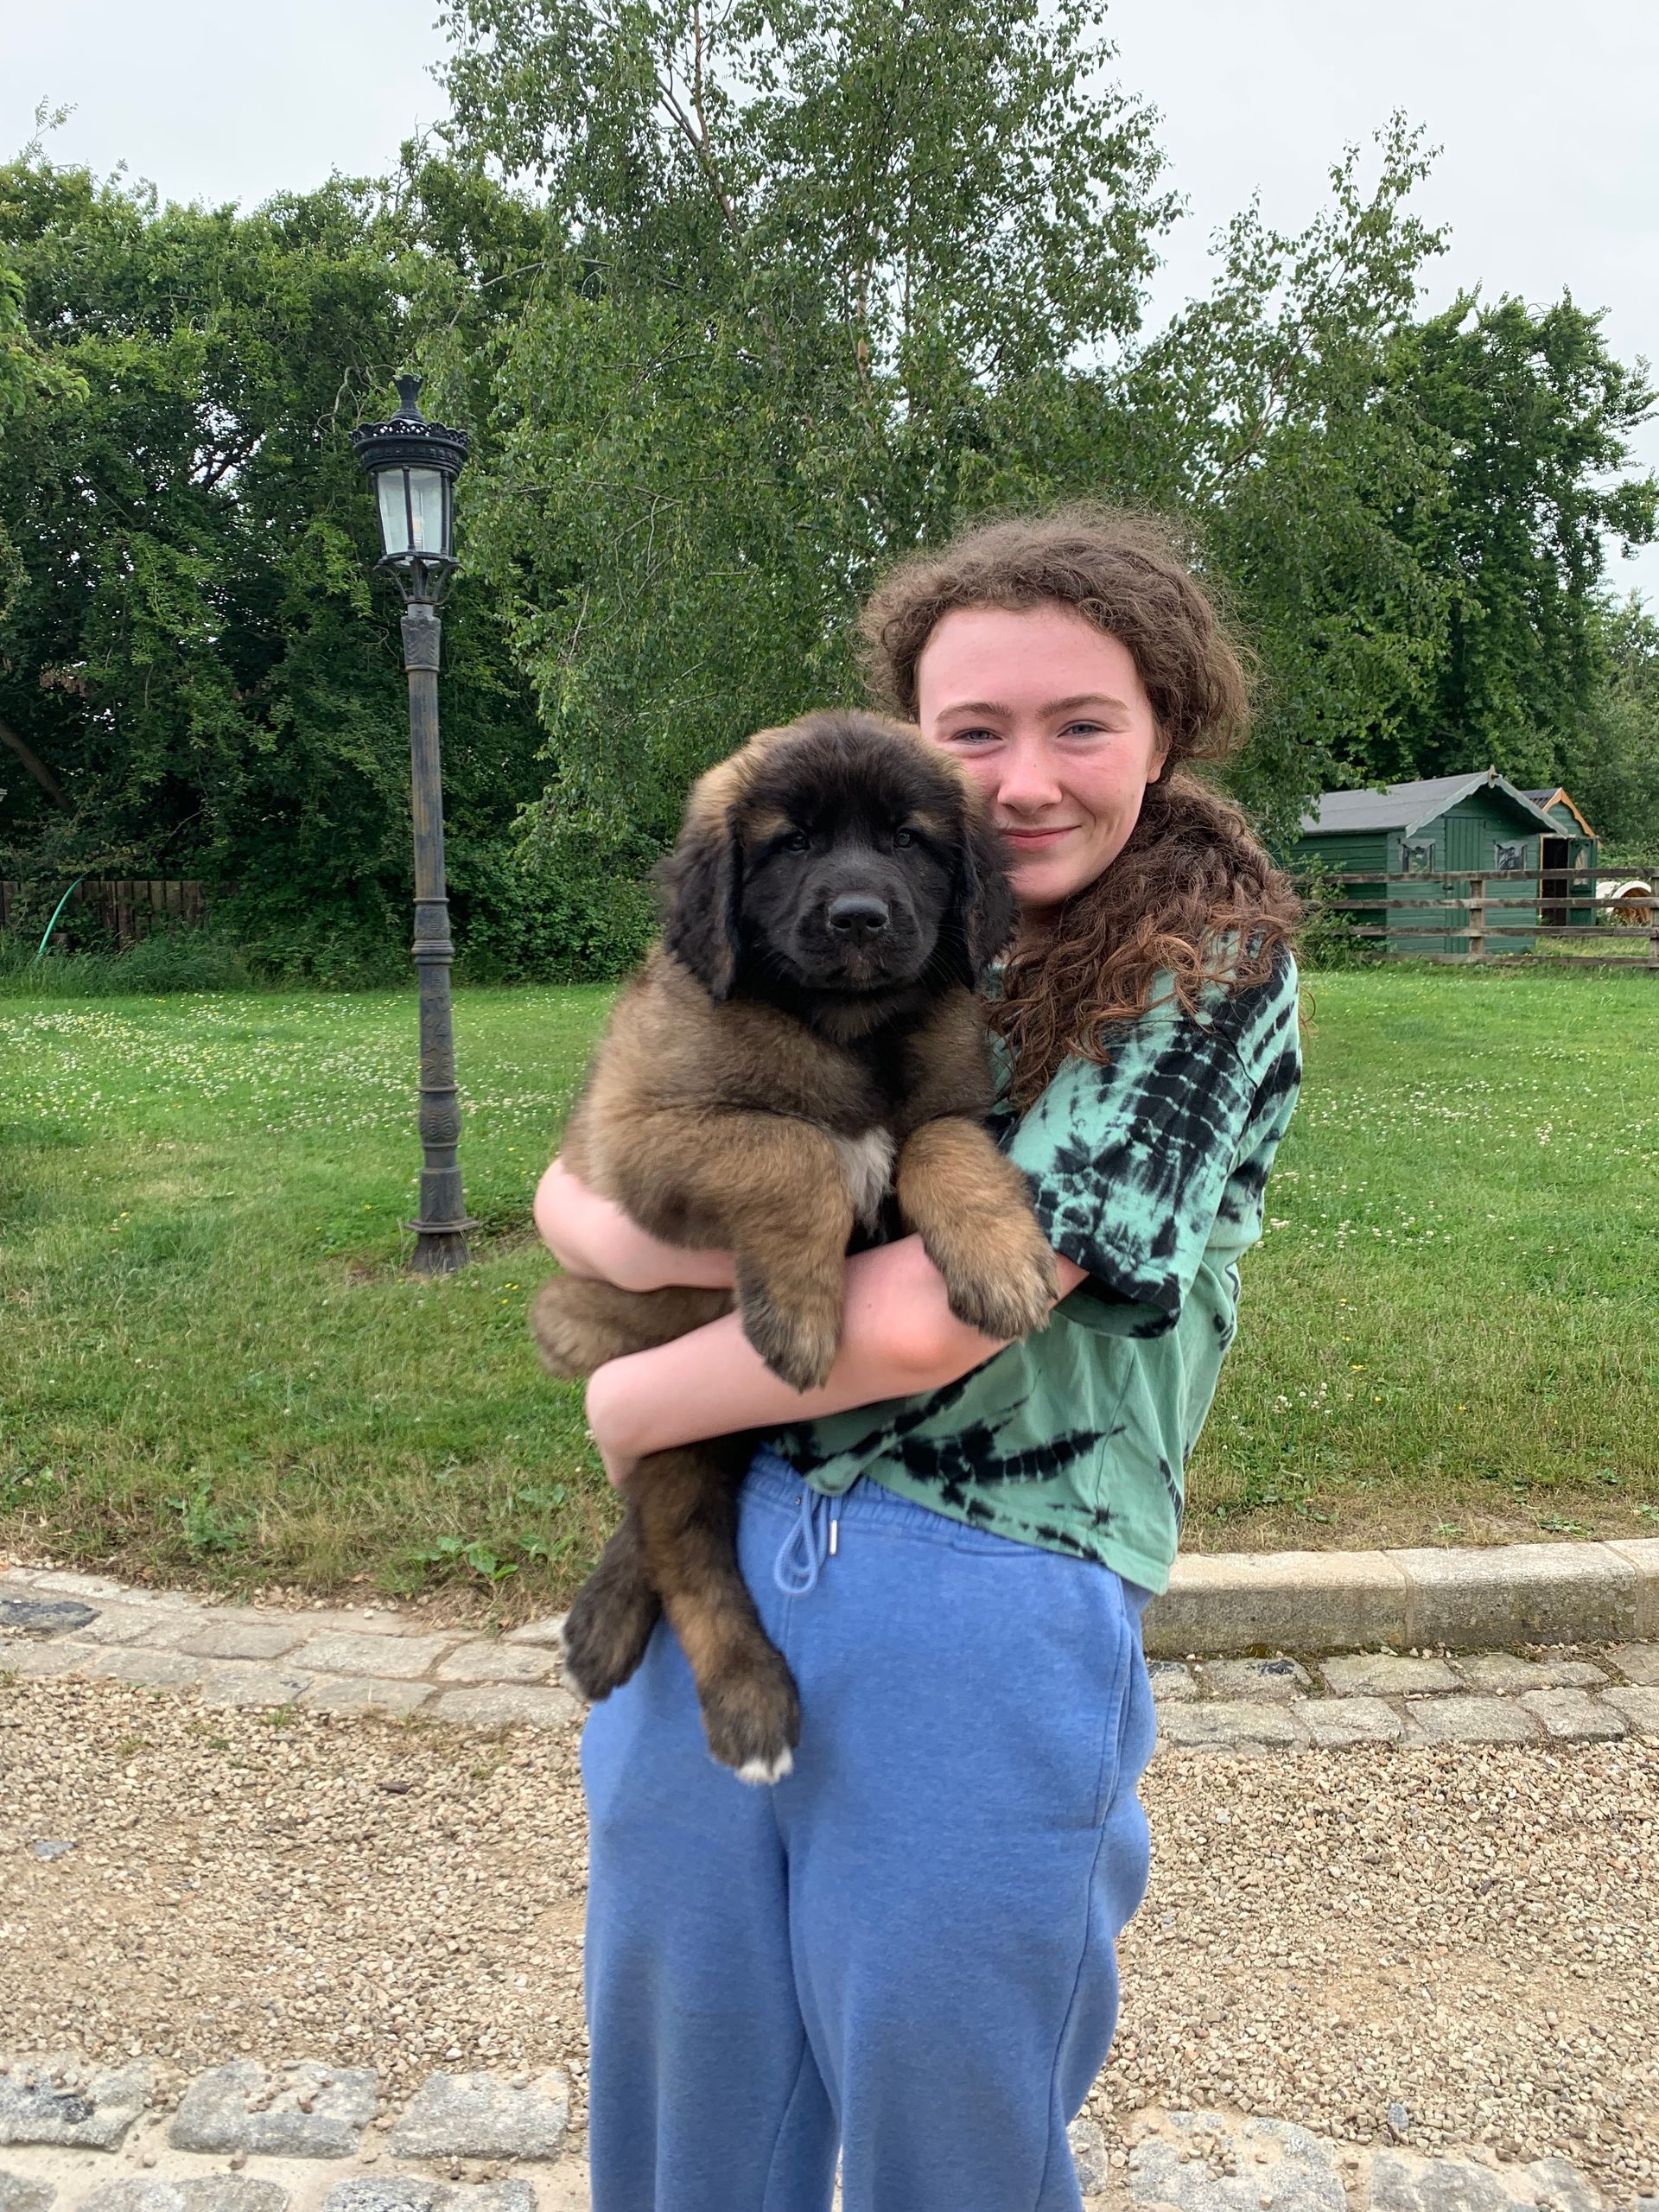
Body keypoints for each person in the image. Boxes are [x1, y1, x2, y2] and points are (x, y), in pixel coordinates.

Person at [534, 508, 1303, 2212]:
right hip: (727, 1559)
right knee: (682, 2086)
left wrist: (639, 1395)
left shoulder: (1208, 966)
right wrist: (625, 1229)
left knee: (943, 2113)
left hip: (986, 1586)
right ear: (916, 747)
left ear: (1167, 725)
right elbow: (589, 1178)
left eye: (1082, 722)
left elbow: (954, 1304)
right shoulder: (866, 904)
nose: (1027, 776)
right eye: (978, 731)